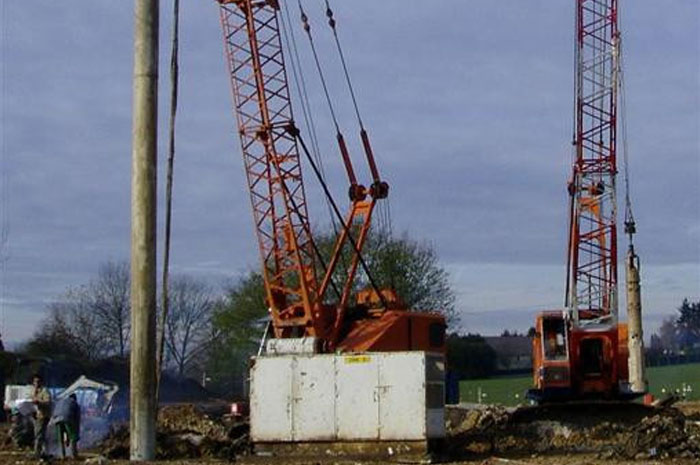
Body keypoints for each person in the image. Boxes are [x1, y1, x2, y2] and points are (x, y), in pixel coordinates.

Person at [51, 393, 81, 459]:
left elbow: (54, 412)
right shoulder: (75, 403)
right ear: (75, 398)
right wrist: (76, 433)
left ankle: (62, 455)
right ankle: (73, 455)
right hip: (68, 419)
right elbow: (77, 419)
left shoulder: (61, 401)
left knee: (60, 439)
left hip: (56, 420)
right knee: (73, 437)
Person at [31, 374, 51, 458]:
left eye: (38, 381)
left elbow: (48, 402)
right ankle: (44, 451)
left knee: (39, 435)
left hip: (43, 415)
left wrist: (38, 402)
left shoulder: (45, 391)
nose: (36, 383)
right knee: (40, 434)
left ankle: (37, 453)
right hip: (36, 415)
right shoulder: (34, 391)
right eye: (35, 382)